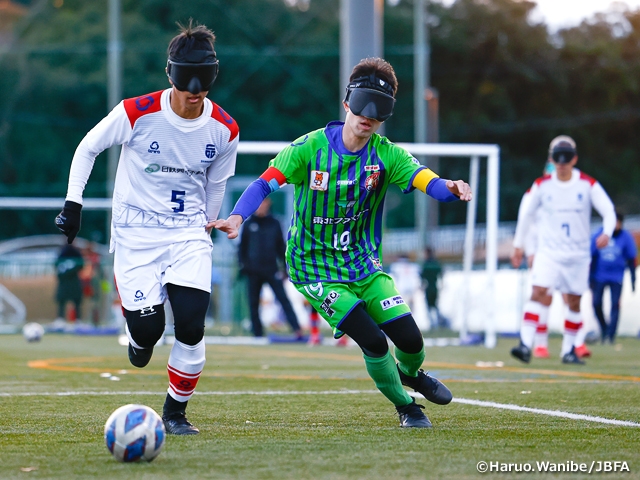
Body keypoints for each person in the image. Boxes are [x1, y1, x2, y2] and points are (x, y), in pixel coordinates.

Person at [214, 57, 472, 428]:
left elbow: (426, 180)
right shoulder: (308, 148)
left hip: (363, 265)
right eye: (363, 104)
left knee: (410, 340)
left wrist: (449, 187)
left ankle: (411, 373)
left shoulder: (387, 155)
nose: (368, 116)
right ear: (347, 103)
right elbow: (263, 183)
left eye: (379, 110)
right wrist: (237, 216)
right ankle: (407, 407)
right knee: (374, 341)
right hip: (314, 268)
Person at [55, 21, 238, 435]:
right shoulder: (136, 112)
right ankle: (139, 339)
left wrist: (206, 227)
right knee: (148, 334)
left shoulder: (225, 128)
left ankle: (175, 413)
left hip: (187, 233)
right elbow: (88, 147)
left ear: (213, 75)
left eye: (204, 78)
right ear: (170, 74)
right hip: (136, 236)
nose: (194, 89)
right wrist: (73, 203)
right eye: (185, 78)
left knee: (192, 324)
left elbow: (217, 183)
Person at [511, 135, 616, 365]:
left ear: (574, 158)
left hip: (578, 255)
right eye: (557, 157)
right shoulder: (541, 186)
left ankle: (569, 350)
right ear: (551, 158)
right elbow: (526, 215)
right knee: (538, 292)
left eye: (566, 157)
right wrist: (519, 245)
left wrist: (606, 232)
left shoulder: (588, 184)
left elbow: (608, 211)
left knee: (575, 301)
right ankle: (526, 344)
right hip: (549, 253)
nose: (561, 162)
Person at [238, 197, 303, 339]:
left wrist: (286, 268)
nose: (261, 207)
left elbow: (281, 246)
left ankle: (297, 329)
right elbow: (242, 247)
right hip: (253, 271)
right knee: (253, 303)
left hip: (271, 269)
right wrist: (243, 265)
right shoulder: (249, 224)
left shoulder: (275, 223)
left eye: (264, 203)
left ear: (268, 204)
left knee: (283, 299)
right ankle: (257, 333)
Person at [590, 211, 637, 343]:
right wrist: (589, 278)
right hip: (599, 276)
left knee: (615, 305)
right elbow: (591, 256)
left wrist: (633, 280)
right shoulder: (598, 234)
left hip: (617, 277)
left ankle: (610, 336)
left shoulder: (626, 237)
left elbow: (631, 258)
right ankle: (604, 329)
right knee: (596, 303)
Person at [55, 243, 84, 322]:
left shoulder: (76, 253)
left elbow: (81, 265)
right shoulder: (62, 252)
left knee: (76, 300)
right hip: (64, 281)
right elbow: (56, 265)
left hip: (74, 281)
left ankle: (78, 320)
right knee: (61, 300)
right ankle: (60, 319)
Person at [420, 247, 444, 330]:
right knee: (435, 305)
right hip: (435, 287)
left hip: (428, 287)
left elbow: (422, 276)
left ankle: (433, 324)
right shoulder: (436, 263)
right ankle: (438, 323)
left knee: (429, 306)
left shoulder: (426, 264)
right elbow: (441, 274)